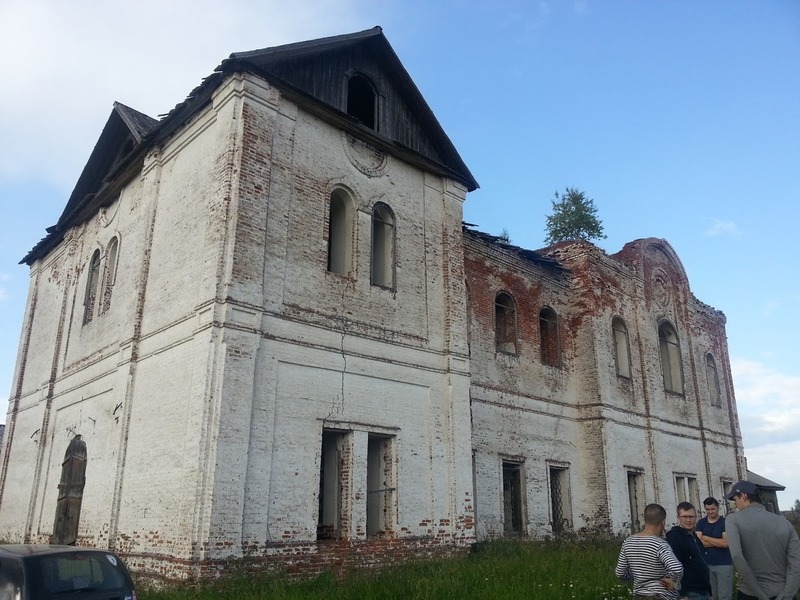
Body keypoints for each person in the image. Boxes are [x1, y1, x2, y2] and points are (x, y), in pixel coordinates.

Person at [725, 480, 800, 600]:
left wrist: (760, 595)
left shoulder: (733, 520)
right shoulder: (784, 523)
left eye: (735, 499)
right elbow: (796, 564)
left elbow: (737, 556)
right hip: (782, 592)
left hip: (751, 594)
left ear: (743, 496)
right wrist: (787, 595)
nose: (735, 504)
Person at [616, 503, 683, 599]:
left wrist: (637, 578)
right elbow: (677, 568)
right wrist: (674, 583)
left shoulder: (628, 542)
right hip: (661, 595)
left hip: (639, 595)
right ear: (663, 522)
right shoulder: (659, 544)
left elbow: (620, 572)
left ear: (645, 519)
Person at [667, 501, 712, 600]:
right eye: (685, 517)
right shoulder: (675, 537)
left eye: (691, 517)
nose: (688, 520)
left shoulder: (693, 535)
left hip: (702, 589)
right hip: (690, 592)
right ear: (678, 518)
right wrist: (682, 594)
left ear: (696, 517)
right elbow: (675, 566)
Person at [696, 496, 733, 600]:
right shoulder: (701, 523)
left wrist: (706, 537)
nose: (710, 511)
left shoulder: (725, 522)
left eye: (712, 509)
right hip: (707, 563)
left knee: (724, 596)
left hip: (724, 563)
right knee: (712, 596)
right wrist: (718, 541)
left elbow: (725, 543)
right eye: (707, 509)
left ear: (718, 508)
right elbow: (699, 543)